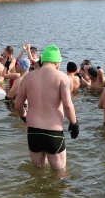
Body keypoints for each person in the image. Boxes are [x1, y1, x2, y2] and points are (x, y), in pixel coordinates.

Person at [14, 45, 79, 173]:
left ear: (43, 60)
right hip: (53, 132)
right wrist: (74, 123)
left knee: (37, 172)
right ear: (57, 62)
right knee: (60, 174)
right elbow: (67, 105)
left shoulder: (28, 77)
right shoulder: (62, 77)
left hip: (33, 132)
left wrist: (23, 116)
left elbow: (18, 104)